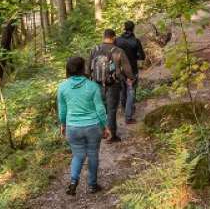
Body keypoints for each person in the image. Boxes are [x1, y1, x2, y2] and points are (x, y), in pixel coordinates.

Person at [57, 56, 109, 195]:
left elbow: (62, 110)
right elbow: (100, 109)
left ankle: (73, 181)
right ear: (83, 69)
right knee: (92, 155)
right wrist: (105, 126)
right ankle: (92, 185)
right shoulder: (92, 86)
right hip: (93, 126)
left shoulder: (62, 87)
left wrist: (63, 124)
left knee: (78, 155)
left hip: (73, 127)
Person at [88, 29, 132, 143]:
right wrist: (130, 78)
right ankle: (111, 136)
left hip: (96, 84)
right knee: (111, 109)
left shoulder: (95, 50)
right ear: (113, 37)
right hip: (112, 84)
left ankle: (102, 132)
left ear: (104, 37)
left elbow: (88, 67)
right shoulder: (117, 51)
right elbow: (127, 67)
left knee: (99, 108)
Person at [115, 20, 145, 124]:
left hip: (120, 70)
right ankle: (128, 117)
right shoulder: (136, 41)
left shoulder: (117, 40)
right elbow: (142, 56)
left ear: (124, 28)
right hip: (132, 70)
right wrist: (134, 56)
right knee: (131, 92)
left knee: (123, 90)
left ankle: (124, 109)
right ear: (133, 28)